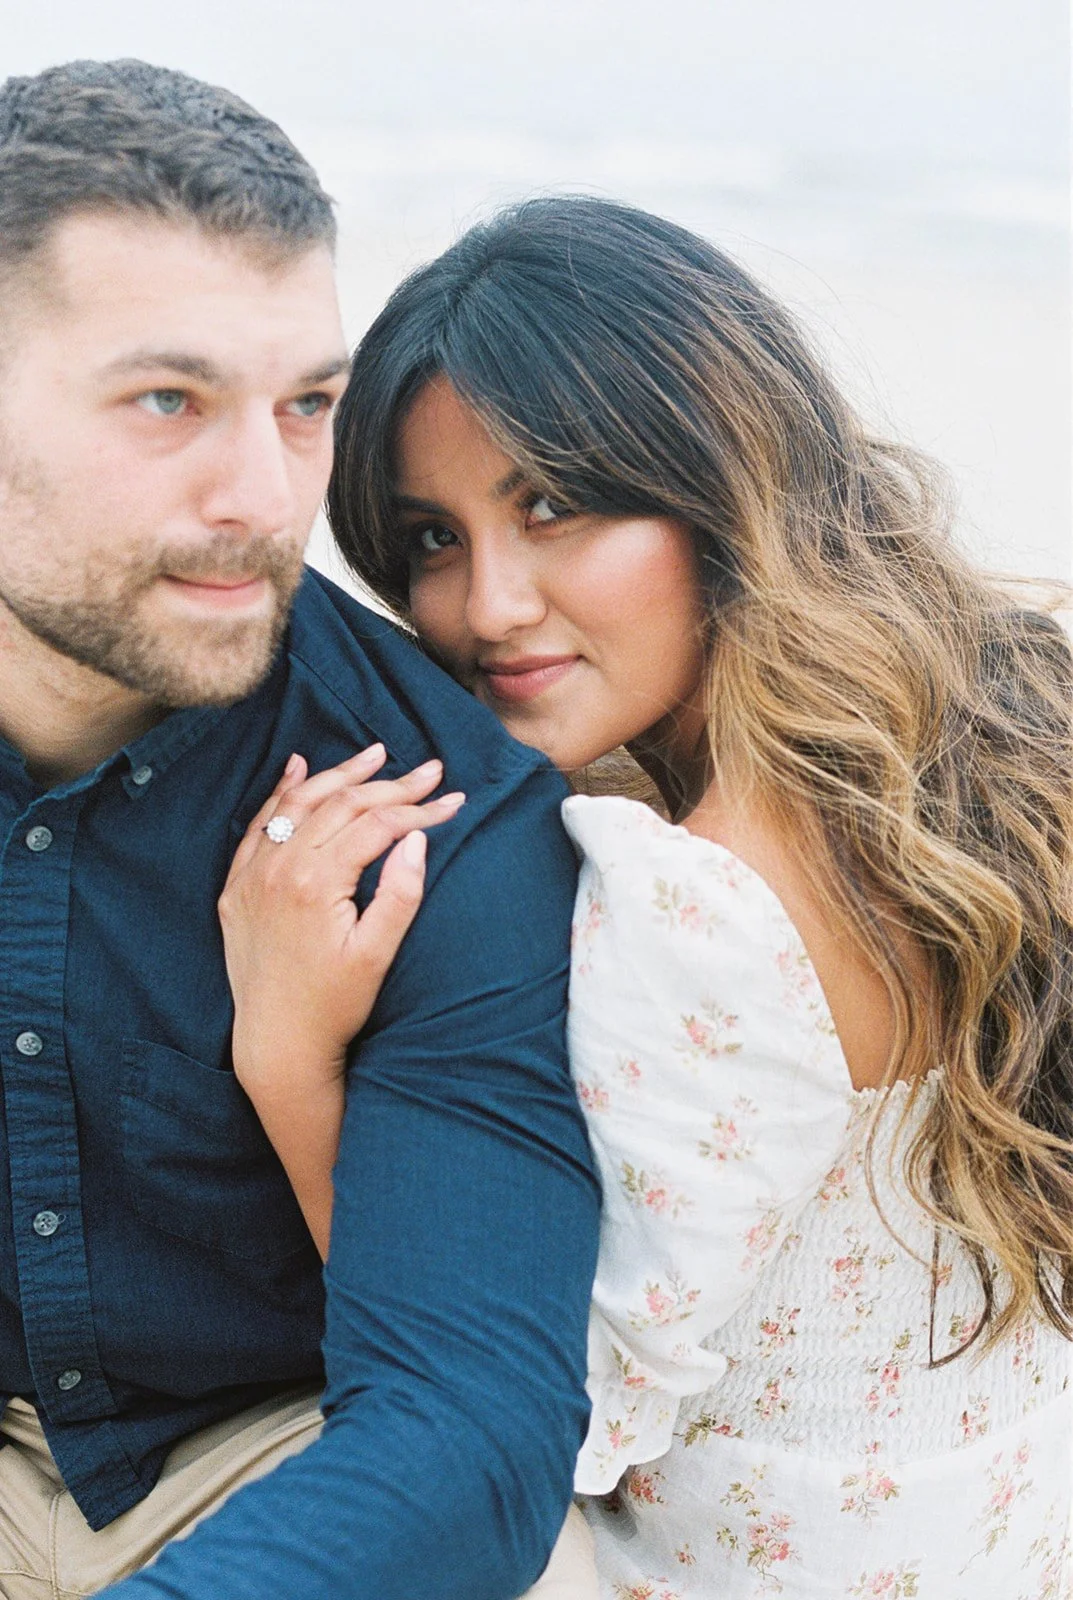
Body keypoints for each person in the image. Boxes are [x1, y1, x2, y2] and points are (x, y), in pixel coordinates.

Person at [227, 196, 1073, 1596]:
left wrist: (288, 1050)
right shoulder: (993, 730)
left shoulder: (695, 904)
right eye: (431, 541)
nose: (488, 606)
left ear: (718, 477)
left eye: (553, 507)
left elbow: (551, 1414)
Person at [0, 64, 601, 1600]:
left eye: (307, 406)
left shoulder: (438, 808)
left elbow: (470, 1431)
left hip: (280, 1457)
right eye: (168, 401)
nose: (266, 495)